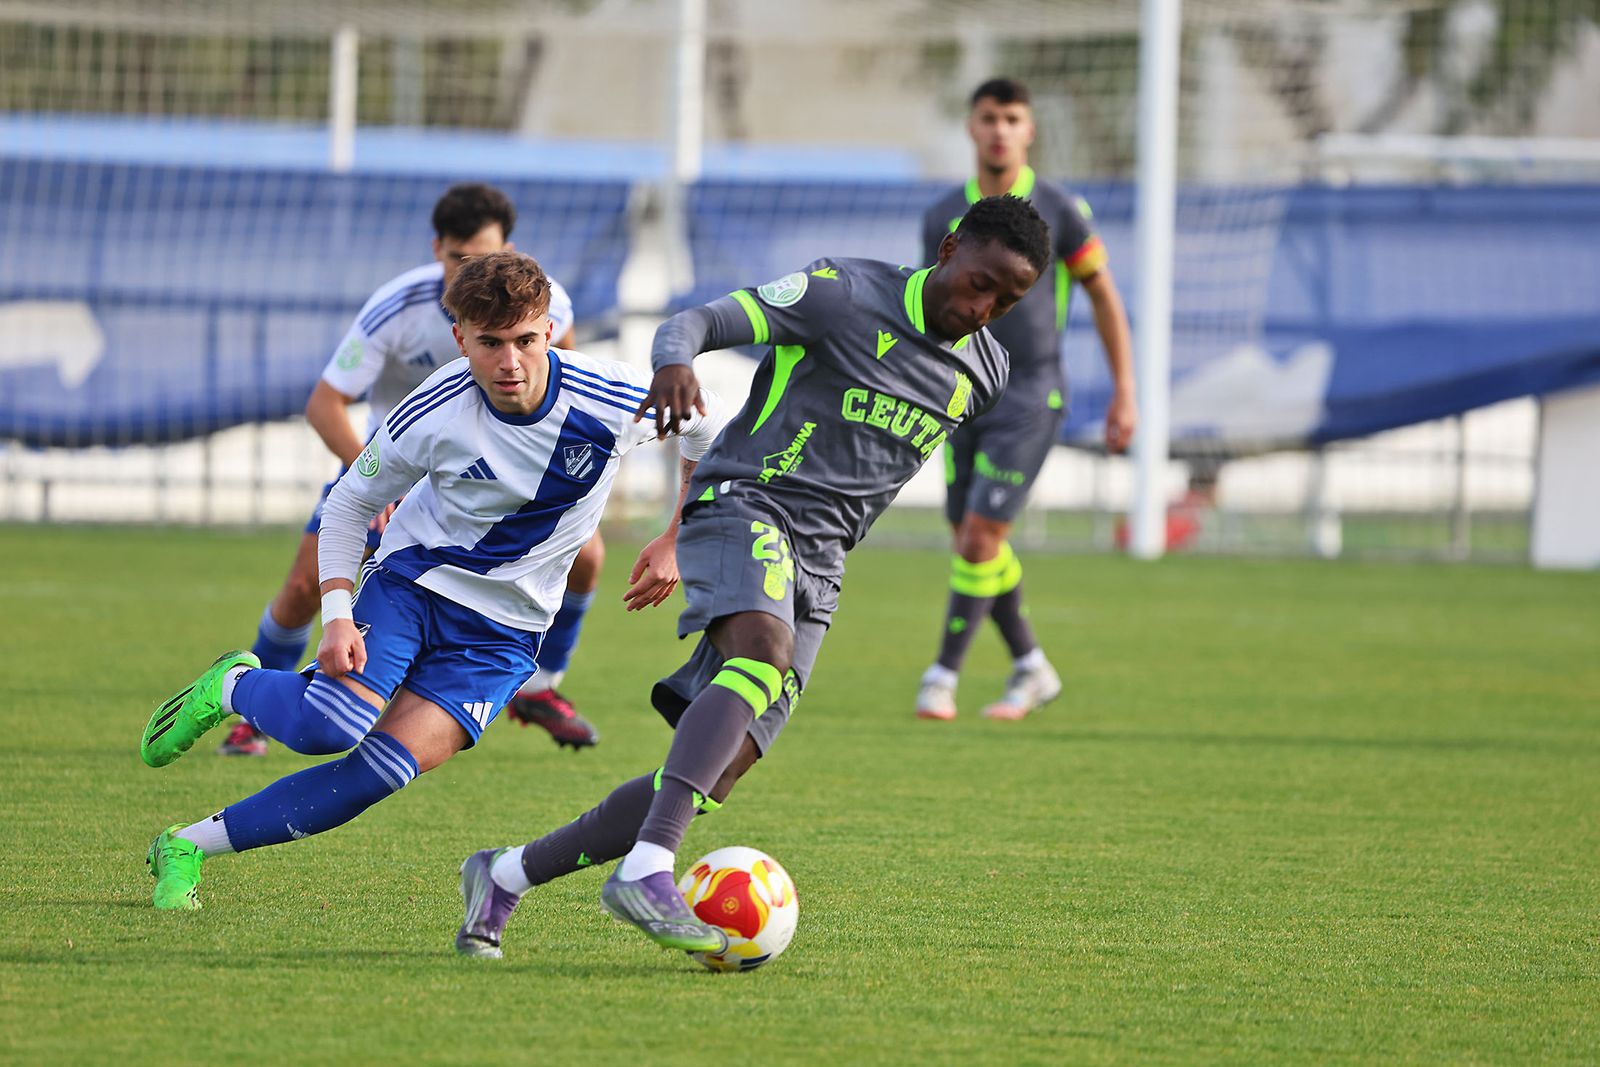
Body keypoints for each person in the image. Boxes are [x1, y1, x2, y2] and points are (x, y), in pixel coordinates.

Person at [453, 195, 1050, 961]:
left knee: (715, 772)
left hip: (824, 565)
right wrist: (674, 365)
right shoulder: (842, 293)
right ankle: (646, 869)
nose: (985, 306)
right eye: (980, 282)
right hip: (747, 500)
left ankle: (503, 875)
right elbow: (694, 323)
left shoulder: (987, 368)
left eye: (1008, 299)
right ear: (950, 246)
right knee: (758, 656)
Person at [140, 252, 725, 911]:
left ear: (550, 330)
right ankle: (232, 684)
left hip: (507, 633)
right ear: (460, 339)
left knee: (376, 775)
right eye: (491, 343)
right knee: (328, 725)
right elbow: (347, 505)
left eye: (527, 340)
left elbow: (706, 431)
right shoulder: (437, 407)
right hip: (416, 583)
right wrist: (335, 614)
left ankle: (184, 845)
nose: (510, 363)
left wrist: (677, 534)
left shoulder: (613, 395)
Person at [221, 182, 603, 757]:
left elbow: (570, 376)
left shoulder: (546, 301)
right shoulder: (396, 308)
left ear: (509, 248)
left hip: (497, 473)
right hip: (391, 463)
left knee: (590, 556)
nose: (466, 270)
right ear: (436, 251)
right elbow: (325, 405)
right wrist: (377, 488)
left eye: (481, 257)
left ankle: (541, 687)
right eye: (457, 258)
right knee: (307, 582)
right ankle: (253, 707)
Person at [913, 77, 1137, 724]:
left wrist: (1125, 391)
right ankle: (1032, 665)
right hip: (959, 393)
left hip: (1033, 392)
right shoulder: (940, 215)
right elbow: (929, 304)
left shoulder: (1061, 210)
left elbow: (1103, 294)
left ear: (1029, 130)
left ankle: (942, 674)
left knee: (982, 535)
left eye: (1012, 118)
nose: (1000, 130)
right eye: (989, 117)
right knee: (969, 537)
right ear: (971, 127)